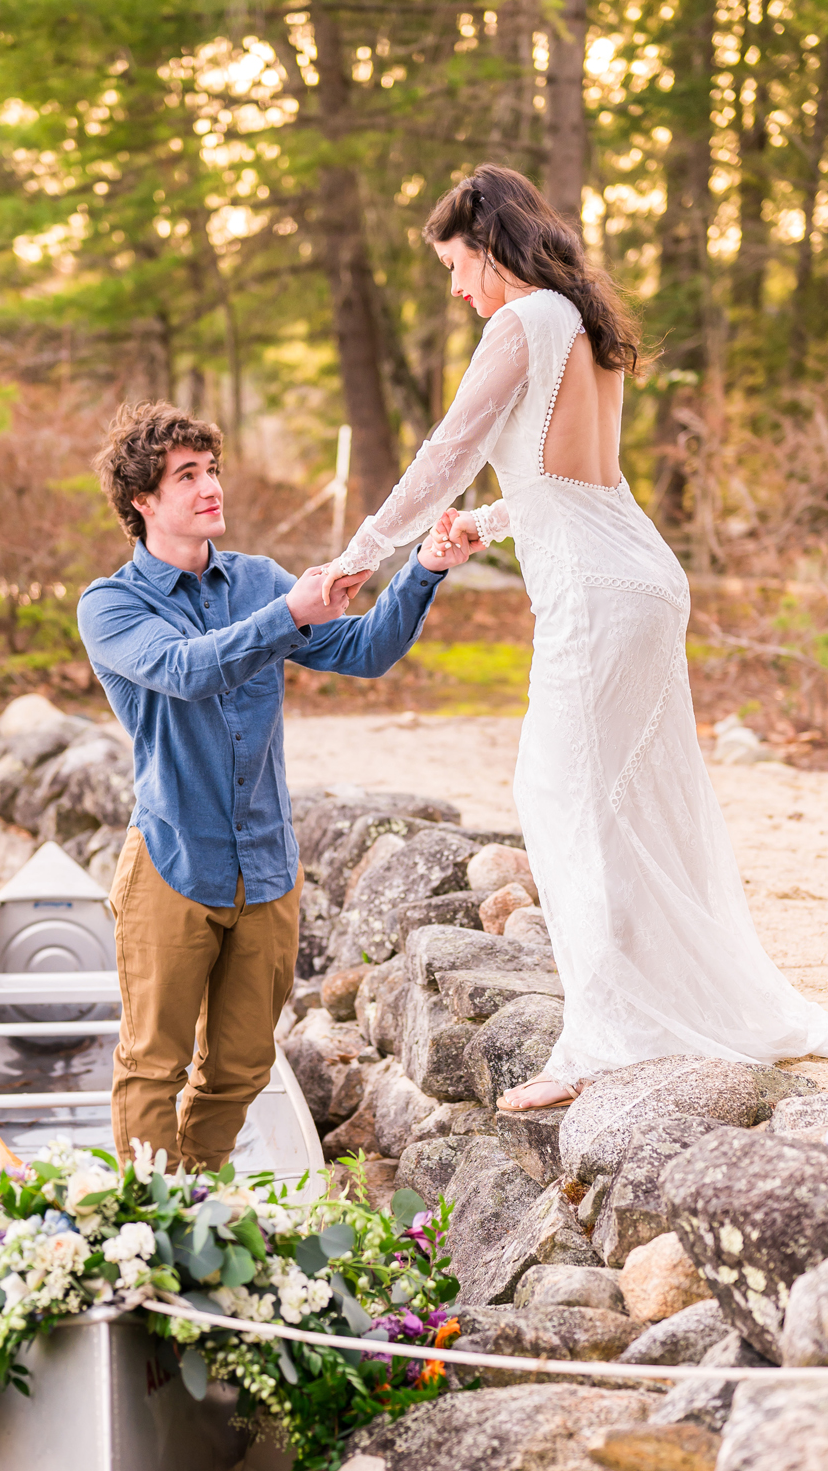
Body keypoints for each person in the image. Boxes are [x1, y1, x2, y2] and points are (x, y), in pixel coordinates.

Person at [318, 162, 828, 1112]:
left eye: (458, 266)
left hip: (598, 597)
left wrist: (364, 550)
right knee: (628, 803)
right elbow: (582, 483)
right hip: (640, 575)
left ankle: (600, 1042)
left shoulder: (523, 322)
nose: (457, 288)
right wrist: (489, 525)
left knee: (562, 799)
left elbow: (449, 449)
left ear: (492, 249)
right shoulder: (583, 322)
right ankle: (680, 1005)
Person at [78, 400, 459, 1170]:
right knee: (154, 1065)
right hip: (173, 862)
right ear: (141, 501)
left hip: (267, 865)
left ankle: (193, 1201)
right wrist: (288, 613)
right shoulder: (110, 604)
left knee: (244, 1067)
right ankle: (148, 1225)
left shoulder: (256, 580)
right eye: (186, 475)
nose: (209, 486)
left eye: (212, 469)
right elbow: (187, 670)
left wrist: (424, 570)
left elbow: (364, 651)